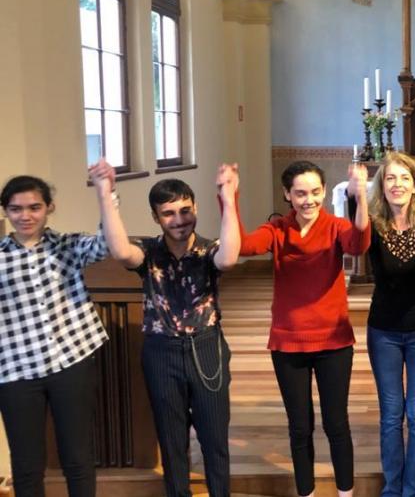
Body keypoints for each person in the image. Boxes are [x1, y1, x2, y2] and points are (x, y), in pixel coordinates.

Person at [97, 160, 241, 497]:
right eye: (168, 213)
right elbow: (119, 250)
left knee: (215, 439)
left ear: (195, 208)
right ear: (156, 217)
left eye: (185, 210)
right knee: (172, 441)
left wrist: (228, 196)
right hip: (161, 353)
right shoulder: (148, 252)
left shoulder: (208, 249)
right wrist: (106, 195)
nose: (179, 220)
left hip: (207, 349)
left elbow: (230, 259)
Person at [237, 161, 370, 497]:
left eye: (315, 192)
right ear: (287, 195)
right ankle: (306, 493)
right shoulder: (278, 229)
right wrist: (229, 196)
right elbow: (243, 245)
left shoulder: (336, 226)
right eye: (300, 193)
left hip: (333, 342)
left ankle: (345, 493)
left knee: (336, 424)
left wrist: (360, 196)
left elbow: (358, 244)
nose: (308, 199)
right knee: (299, 427)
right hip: (288, 342)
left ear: (324, 192)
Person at [0, 170, 111, 497]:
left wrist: (106, 193)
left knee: (77, 456)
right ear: (5, 211)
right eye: (16, 209)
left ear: (49, 207)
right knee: (26, 464)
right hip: (16, 371)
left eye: (34, 207)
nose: (25, 216)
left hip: (71, 360)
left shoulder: (68, 246)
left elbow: (107, 244)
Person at [366, 153, 415, 497]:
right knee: (390, 415)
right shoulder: (371, 222)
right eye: (390, 179)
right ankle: (391, 488)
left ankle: (414, 491)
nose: (397, 184)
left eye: (404, 178)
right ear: (382, 187)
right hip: (383, 329)